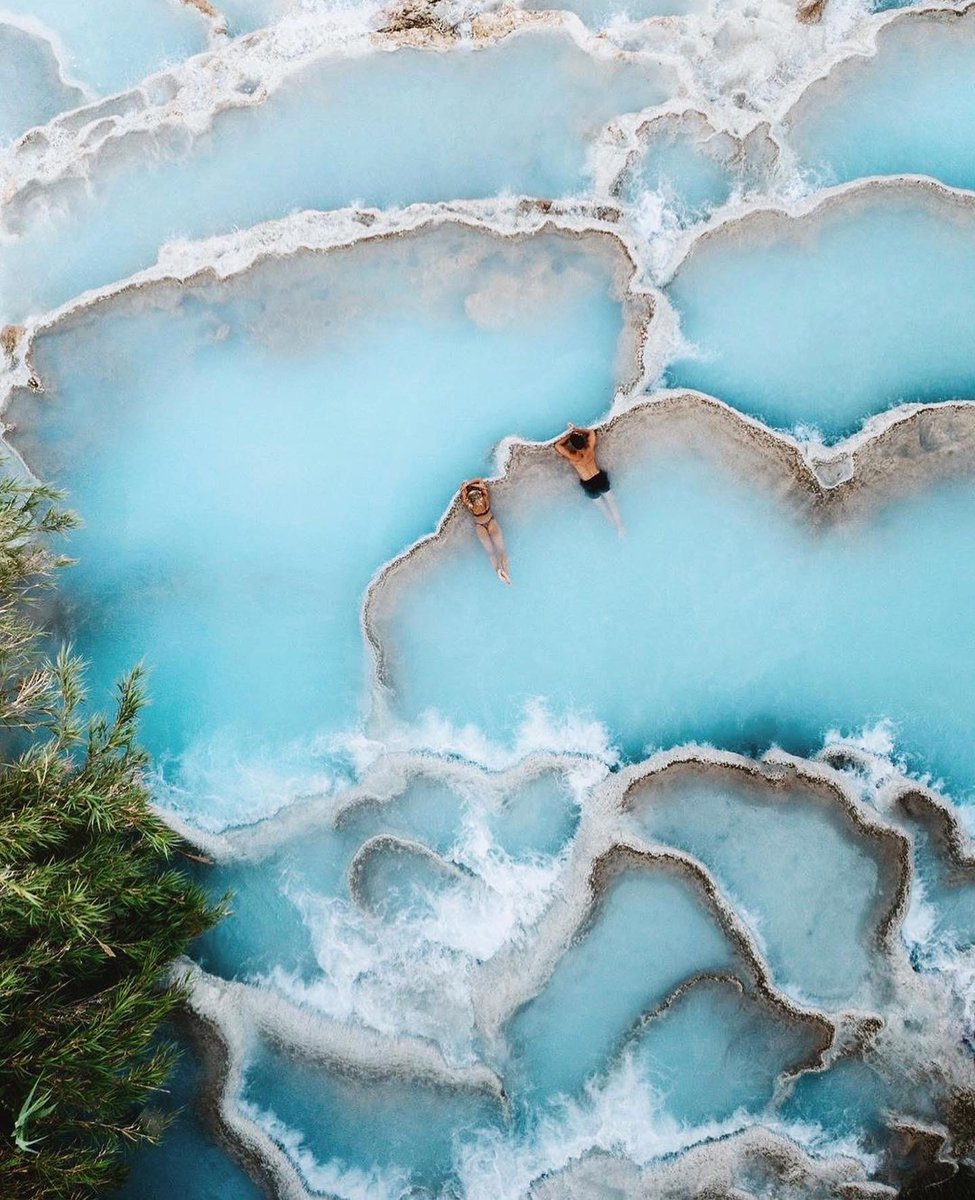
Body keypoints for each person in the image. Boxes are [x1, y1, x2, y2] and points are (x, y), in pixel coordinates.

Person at [553, 424, 624, 535]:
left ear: (573, 446)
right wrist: (576, 430)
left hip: (588, 483)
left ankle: (615, 529)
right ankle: (621, 527)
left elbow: (557, 446)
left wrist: (569, 434)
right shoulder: (590, 449)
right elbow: (591, 433)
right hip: (599, 477)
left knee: (603, 507)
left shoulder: (573, 456)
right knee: (612, 502)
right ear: (583, 441)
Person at [460, 479, 511, 584]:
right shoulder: (485, 499)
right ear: (479, 494)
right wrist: (470, 483)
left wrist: (465, 486)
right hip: (491, 522)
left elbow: (463, 492)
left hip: (480, 527)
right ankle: (506, 574)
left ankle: (498, 571)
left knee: (491, 553)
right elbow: (481, 483)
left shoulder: (470, 505)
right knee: (502, 551)